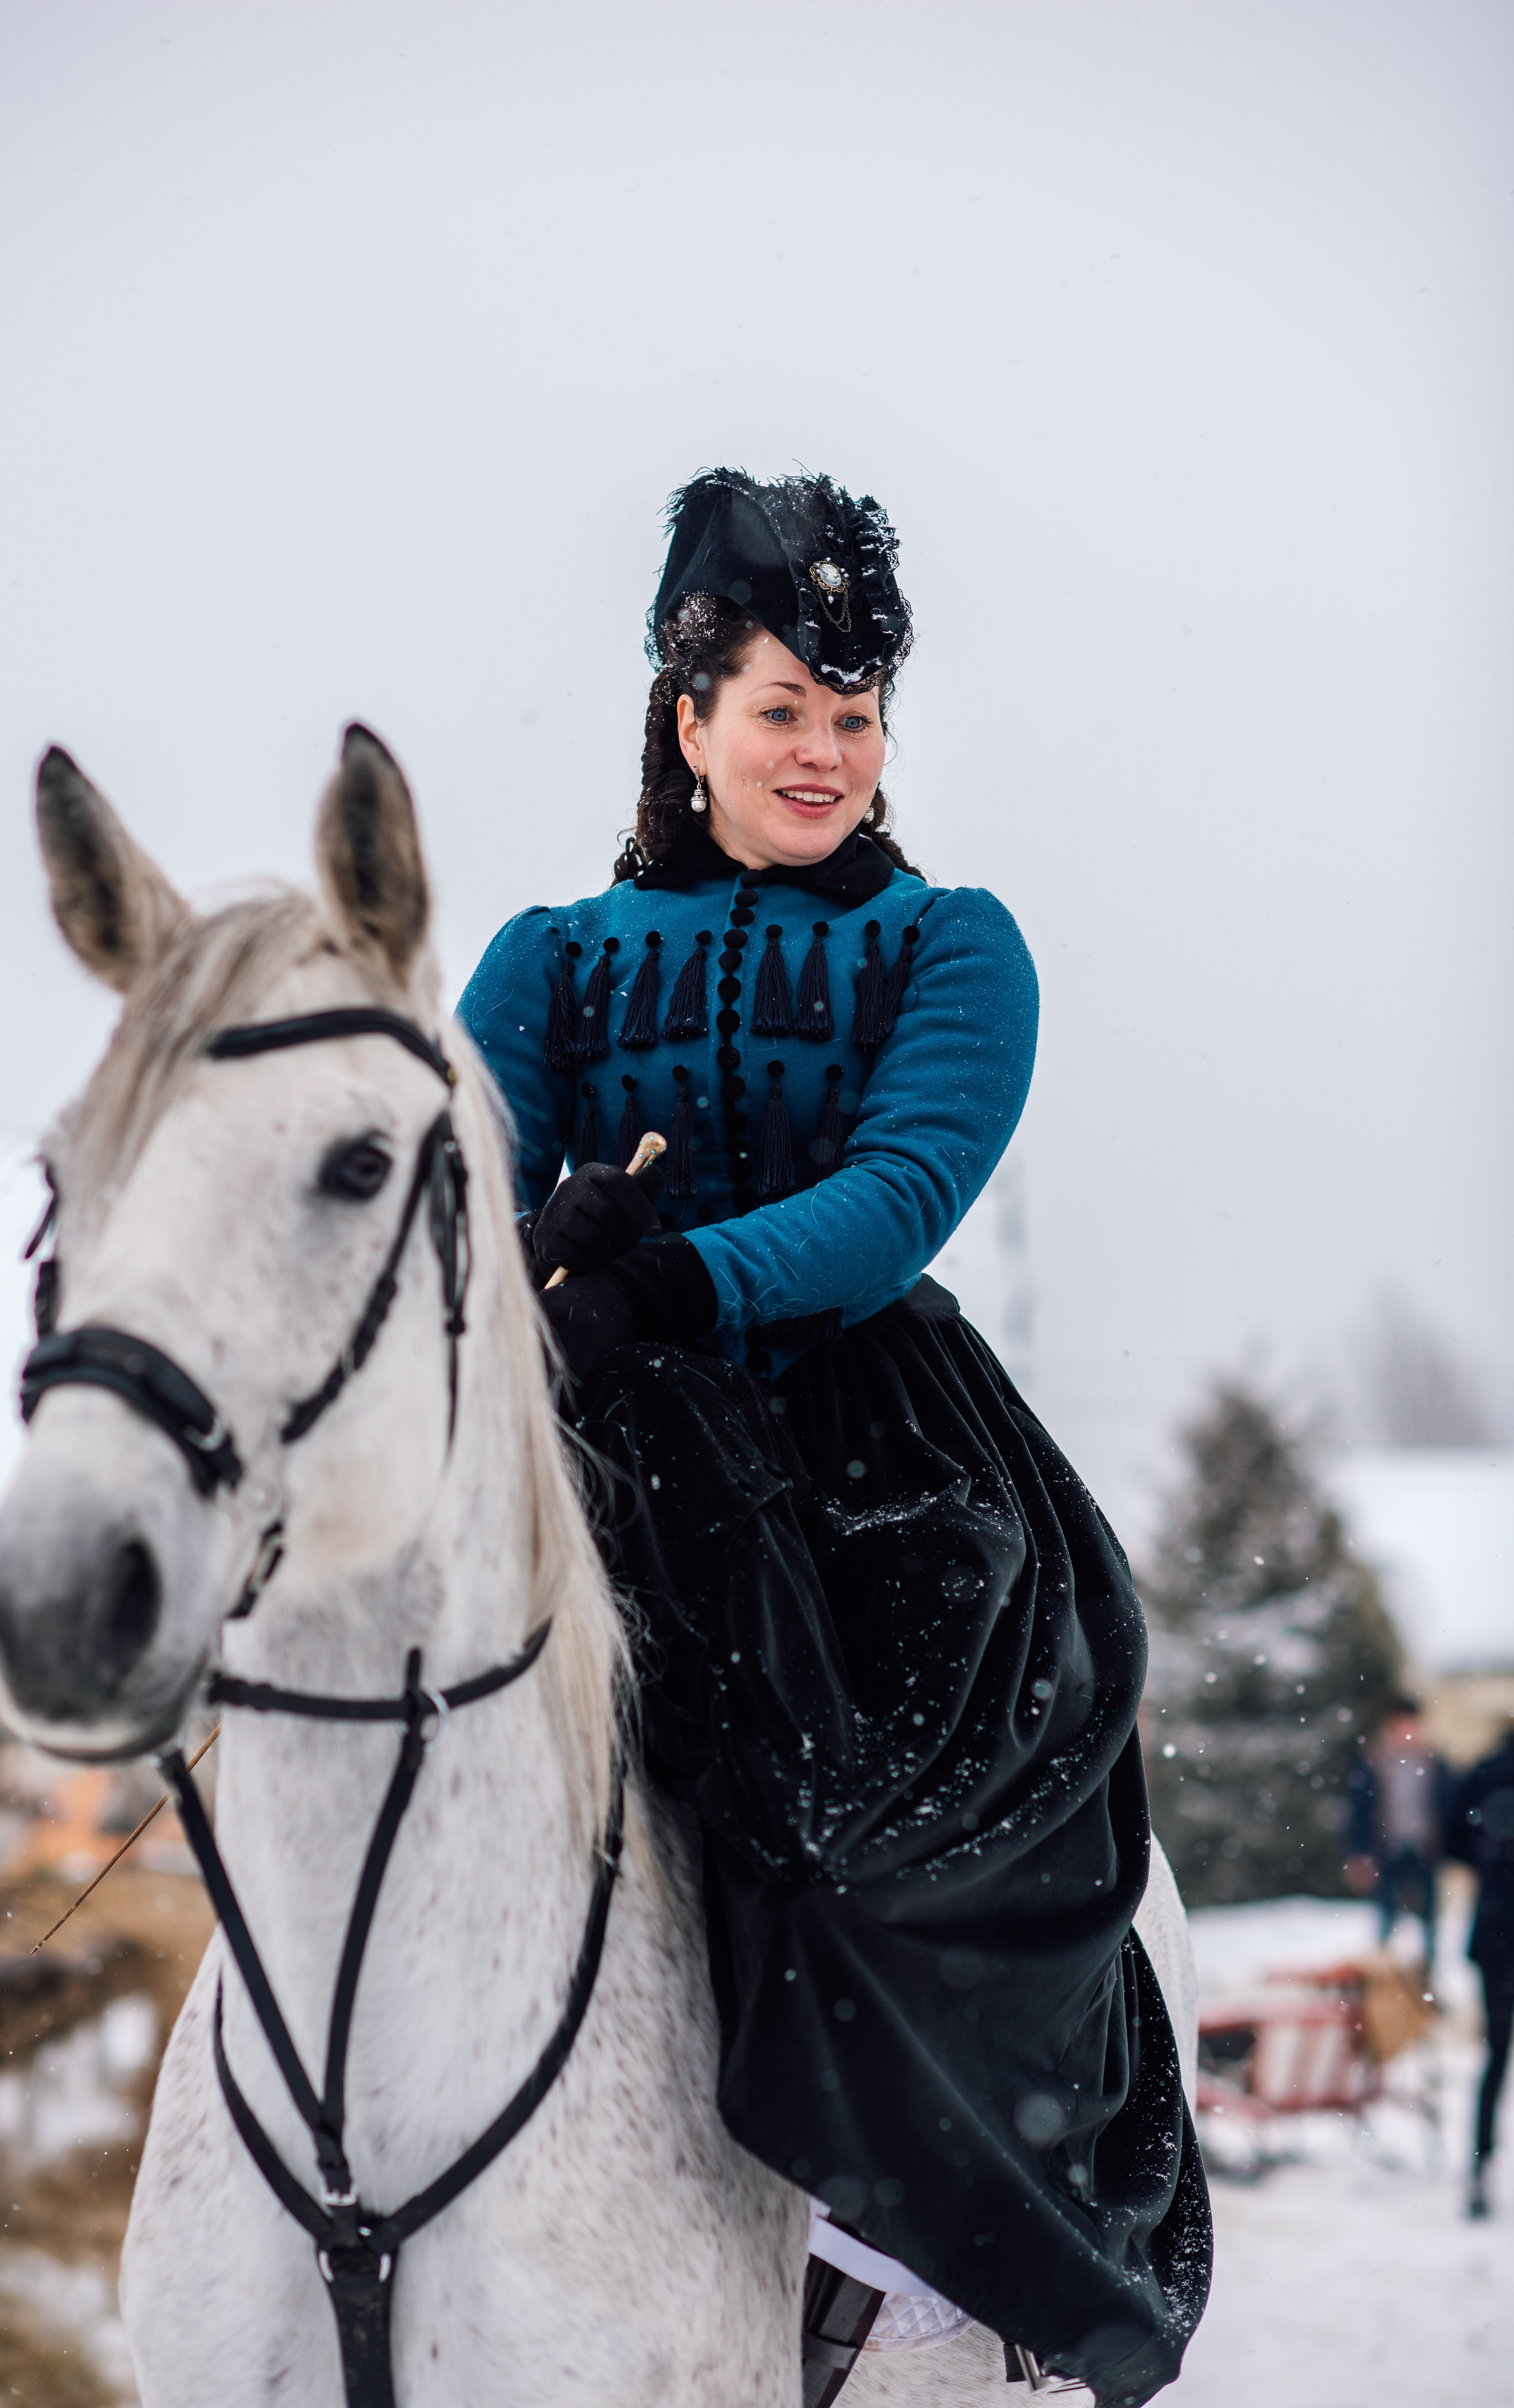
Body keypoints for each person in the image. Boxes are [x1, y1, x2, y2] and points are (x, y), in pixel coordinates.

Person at [458, 469, 1210, 2407]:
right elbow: (469, 1174)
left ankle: (930, 2251)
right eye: (783, 709)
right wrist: (547, 1242)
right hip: (596, 1445)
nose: (823, 753)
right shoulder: (545, 961)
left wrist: (676, 1281)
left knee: (885, 1818)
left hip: (869, 1474)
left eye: (855, 716)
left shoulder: (957, 949)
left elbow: (895, 1196)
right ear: (685, 711)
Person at [1446, 1716, 1514, 2218]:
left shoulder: (1485, 1771)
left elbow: (1455, 1843)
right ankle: (1479, 2168)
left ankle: (1479, 2167)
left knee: (1495, 2055)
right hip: (1498, 1930)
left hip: (1496, 1930)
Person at [1345, 1698, 1453, 1967]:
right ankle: (1384, 1981)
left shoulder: (1435, 1764)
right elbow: (1358, 1811)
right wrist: (1358, 1854)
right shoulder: (1373, 1764)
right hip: (1386, 1849)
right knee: (1385, 1919)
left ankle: (1427, 1980)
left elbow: (1450, 1809)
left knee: (1428, 1922)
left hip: (1425, 1849)